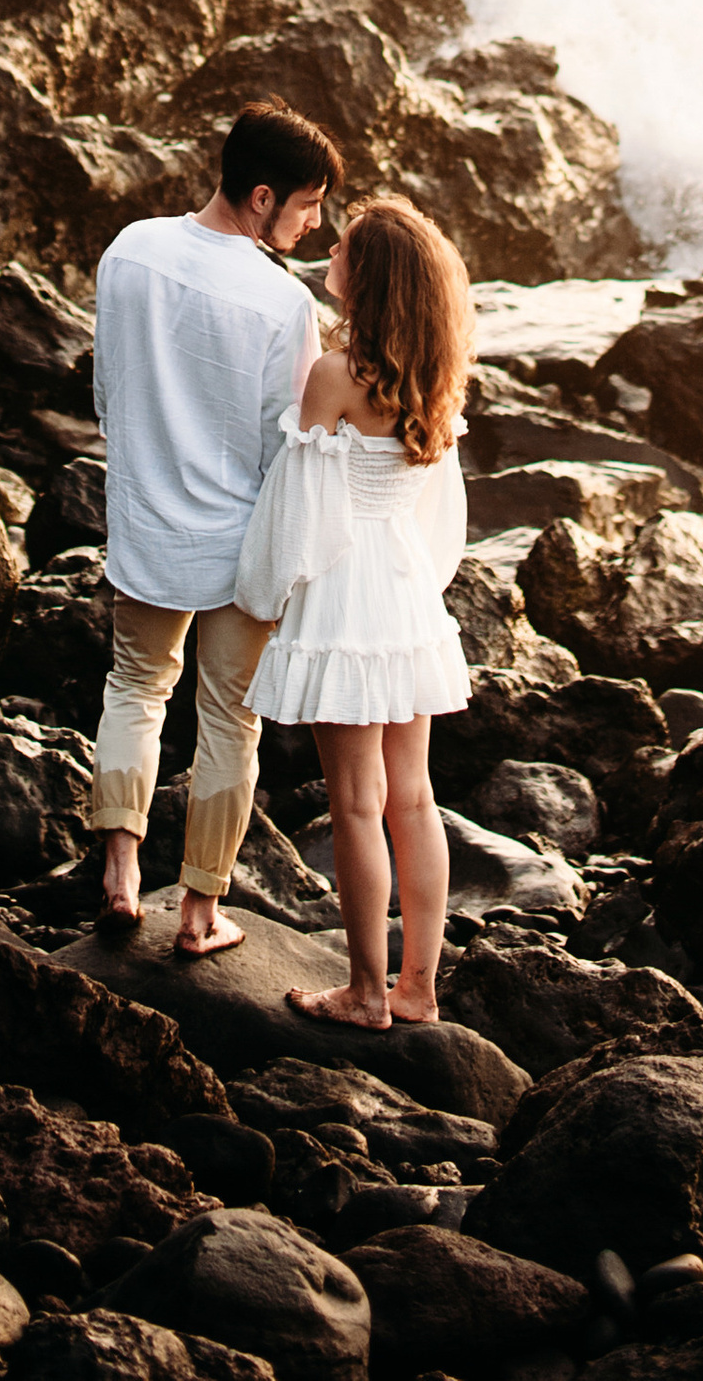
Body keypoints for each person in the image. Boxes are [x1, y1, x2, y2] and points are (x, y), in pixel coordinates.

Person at [90, 102, 344, 954]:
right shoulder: (281, 302)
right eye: (308, 205)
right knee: (230, 718)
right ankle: (199, 913)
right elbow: (292, 443)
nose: (316, 225)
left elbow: (108, 388)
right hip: (238, 541)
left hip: (146, 520)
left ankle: (121, 873)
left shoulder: (131, 247)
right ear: (263, 195)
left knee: (135, 686)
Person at [234, 192, 474, 1028]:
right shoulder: (435, 378)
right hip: (405, 583)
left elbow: (295, 507)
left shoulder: (335, 376)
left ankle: (367, 992)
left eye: (343, 250)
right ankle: (419, 985)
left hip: (344, 584)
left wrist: (263, 596)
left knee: (354, 803)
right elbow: (442, 507)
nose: (329, 255)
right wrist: (425, 584)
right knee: (414, 796)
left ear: (367, 281)